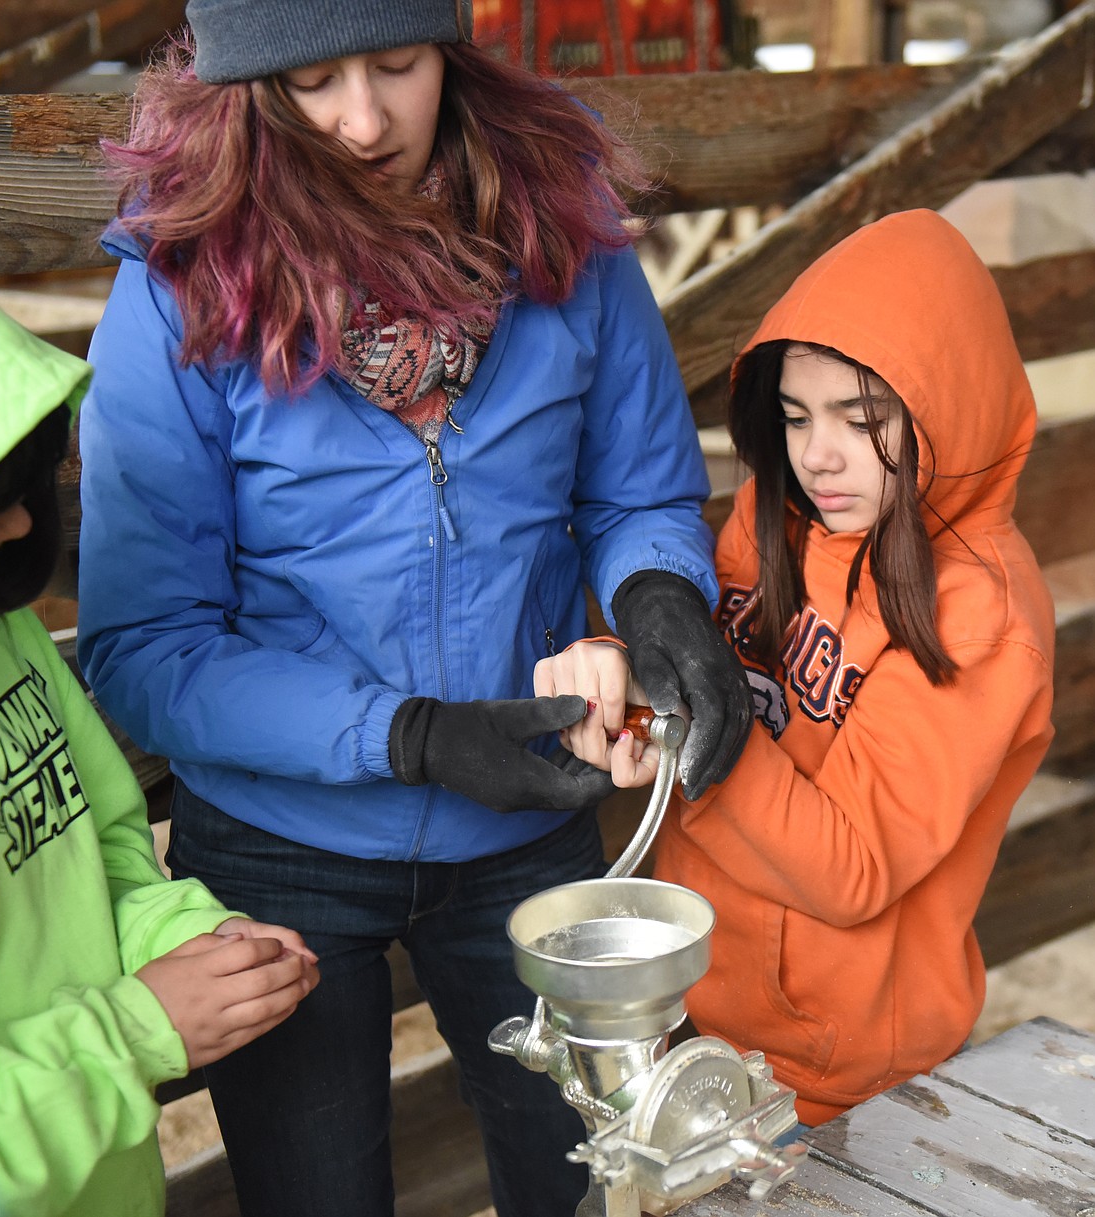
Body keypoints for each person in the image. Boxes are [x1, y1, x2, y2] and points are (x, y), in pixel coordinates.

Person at [74, 1, 753, 1213]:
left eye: (397, 62)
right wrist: (413, 736)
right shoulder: (183, 283)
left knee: (598, 1183)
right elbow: (145, 645)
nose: (364, 116)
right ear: (246, 91)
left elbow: (639, 485)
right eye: (313, 78)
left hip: (526, 823)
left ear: (451, 48)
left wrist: (659, 593)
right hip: (285, 849)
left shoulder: (567, 233)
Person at [535, 208, 1055, 1128]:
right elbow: (707, 672)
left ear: (947, 406)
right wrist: (625, 679)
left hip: (844, 1068)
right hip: (699, 1002)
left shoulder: (978, 615)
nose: (818, 455)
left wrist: (691, 728)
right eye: (795, 416)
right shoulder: (775, 521)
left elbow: (853, 866)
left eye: (863, 421)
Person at [0, 260, 319, 1217]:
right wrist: (143, 1026)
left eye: (18, 485)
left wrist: (195, 942)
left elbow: (99, 845)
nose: (19, 520)